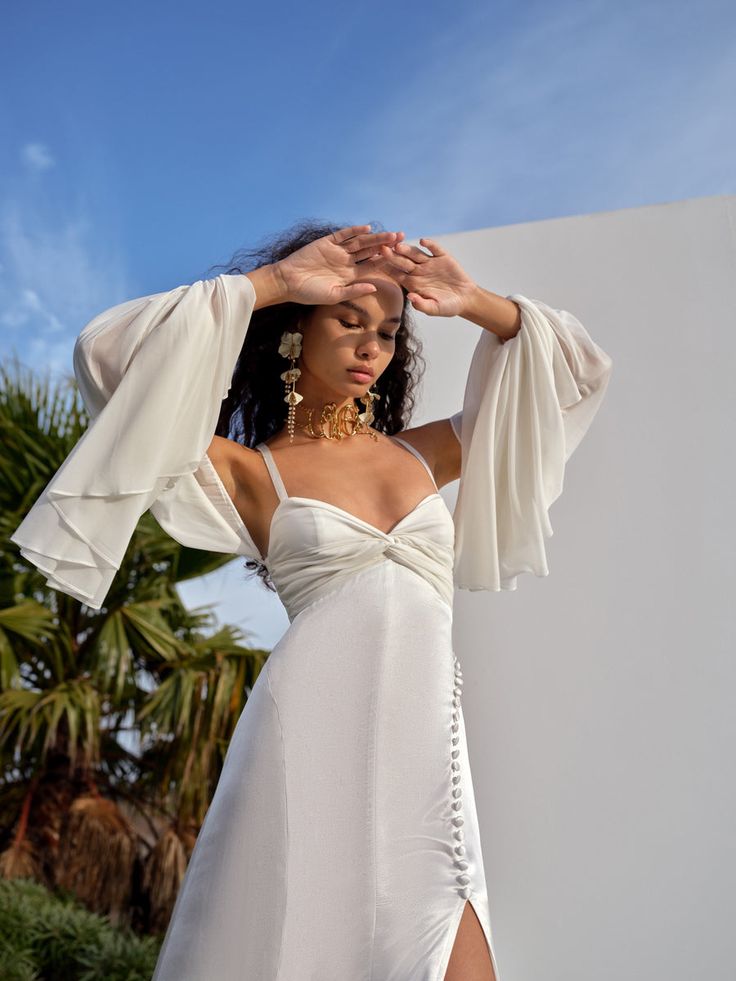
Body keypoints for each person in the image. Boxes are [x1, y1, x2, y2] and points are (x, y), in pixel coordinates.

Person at [10, 221, 613, 980]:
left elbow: (577, 379)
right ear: (296, 335)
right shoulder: (249, 472)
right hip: (307, 733)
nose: (371, 347)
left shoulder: (425, 452)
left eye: (389, 332)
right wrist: (277, 284)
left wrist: (477, 304)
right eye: (348, 320)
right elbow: (107, 354)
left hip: (424, 744)